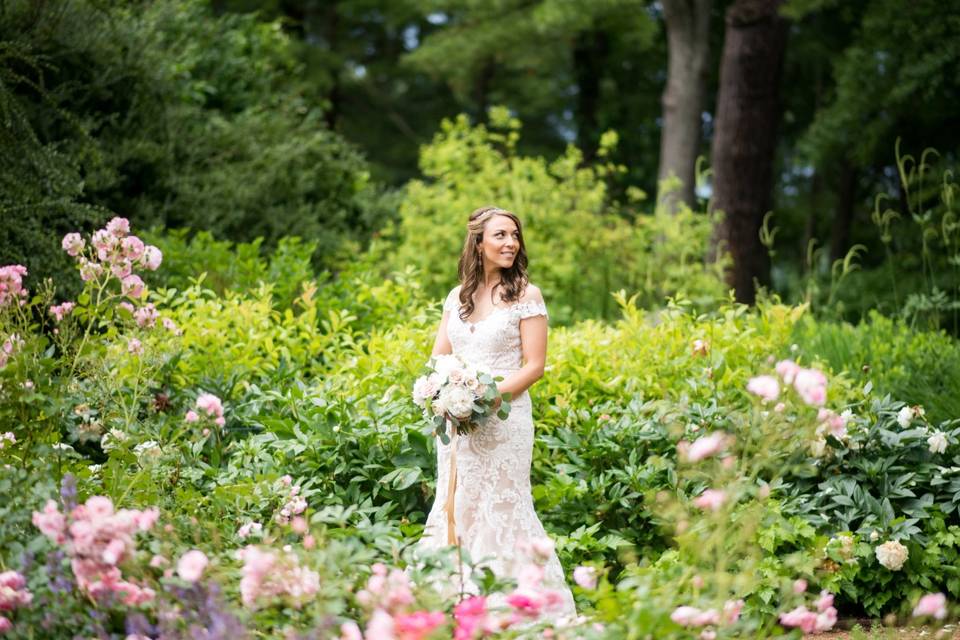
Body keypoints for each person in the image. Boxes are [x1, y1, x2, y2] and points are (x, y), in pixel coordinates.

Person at [416, 205, 576, 616]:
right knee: (456, 504)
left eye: (515, 236)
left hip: (505, 424)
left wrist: (483, 399)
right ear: (479, 243)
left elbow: (534, 366)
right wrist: (444, 394)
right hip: (456, 425)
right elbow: (439, 358)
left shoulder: (527, 296)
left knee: (501, 507)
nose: (510, 243)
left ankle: (515, 609)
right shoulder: (457, 297)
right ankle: (457, 605)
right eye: (501, 235)